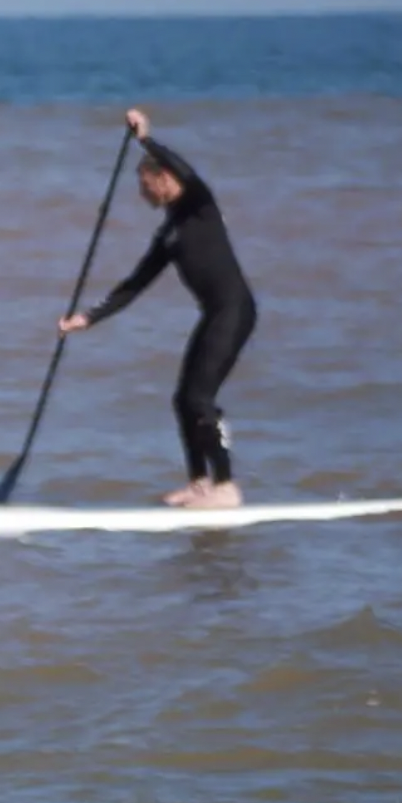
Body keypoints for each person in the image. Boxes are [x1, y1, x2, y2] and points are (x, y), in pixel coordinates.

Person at [60, 107, 258, 509]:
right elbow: (135, 284)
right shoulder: (169, 233)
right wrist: (88, 317)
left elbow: (184, 167)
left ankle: (226, 486)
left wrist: (145, 139)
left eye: (145, 185)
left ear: (164, 179)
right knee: (182, 400)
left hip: (235, 311)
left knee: (200, 399)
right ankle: (199, 483)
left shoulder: (200, 205)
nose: (142, 194)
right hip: (213, 314)